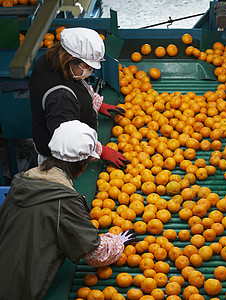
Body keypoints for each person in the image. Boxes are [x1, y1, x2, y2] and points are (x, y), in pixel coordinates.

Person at [0, 120, 138, 300]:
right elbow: (95, 254)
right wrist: (117, 242)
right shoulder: (64, 201)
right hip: (17, 289)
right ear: (83, 165)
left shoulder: (24, 179)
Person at [29, 27, 128, 169]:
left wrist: (94, 103)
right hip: (60, 162)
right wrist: (101, 151)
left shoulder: (51, 60)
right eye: (87, 66)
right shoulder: (60, 97)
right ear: (71, 59)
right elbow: (68, 141)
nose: (90, 70)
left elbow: (75, 85)